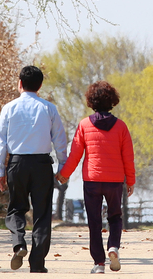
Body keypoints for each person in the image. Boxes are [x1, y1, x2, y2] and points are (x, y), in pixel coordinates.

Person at [56, 81, 135, 274]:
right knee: (115, 217)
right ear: (112, 101)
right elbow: (128, 157)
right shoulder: (121, 127)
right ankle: (113, 247)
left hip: (92, 180)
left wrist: (64, 174)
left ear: (91, 101)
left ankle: (99, 263)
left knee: (94, 221)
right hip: (115, 180)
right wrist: (130, 181)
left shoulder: (84, 125)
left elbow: (75, 154)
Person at [0, 65, 68, 273]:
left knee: (16, 208)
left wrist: (0, 170)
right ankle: (37, 263)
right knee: (42, 214)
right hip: (42, 165)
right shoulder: (49, 108)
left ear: (20, 84)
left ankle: (19, 243)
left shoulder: (8, 108)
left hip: (17, 163)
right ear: (40, 86)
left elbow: (0, 141)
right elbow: (60, 141)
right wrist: (63, 167)